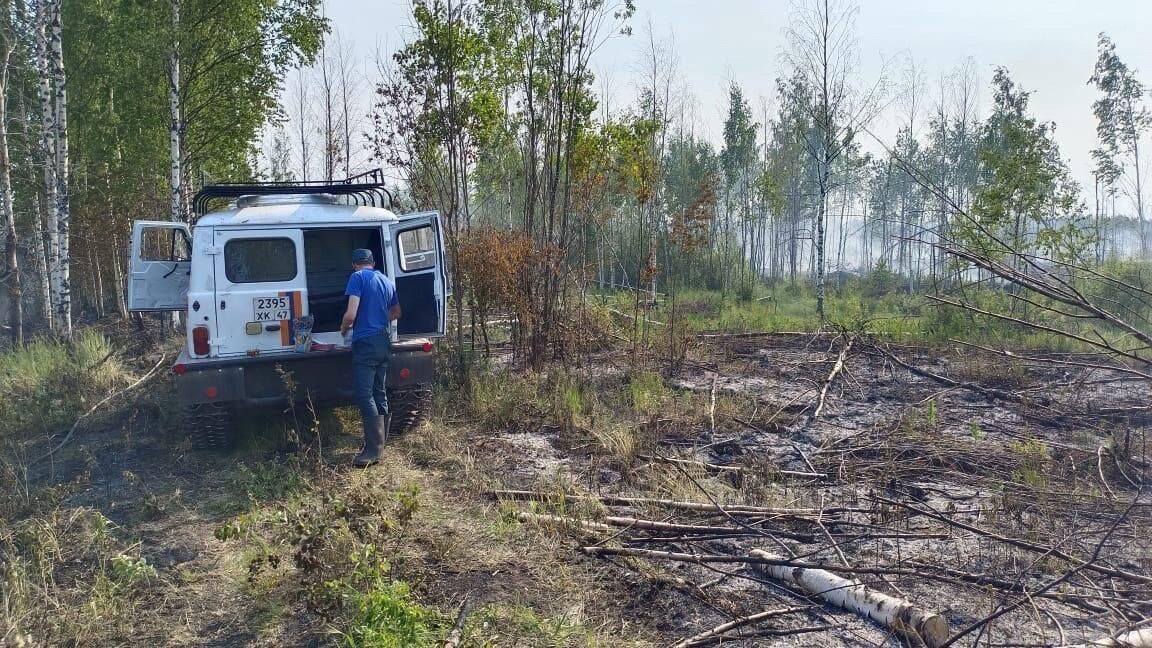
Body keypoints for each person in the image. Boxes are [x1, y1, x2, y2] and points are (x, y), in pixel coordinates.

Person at [341, 248, 401, 467]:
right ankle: (380, 444)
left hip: (365, 343)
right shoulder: (386, 280)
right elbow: (396, 312)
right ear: (373, 262)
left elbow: (351, 314)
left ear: (354, 264)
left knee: (365, 393)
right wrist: (377, 318)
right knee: (379, 390)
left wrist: (343, 328)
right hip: (383, 340)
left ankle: (372, 450)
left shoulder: (357, 277)